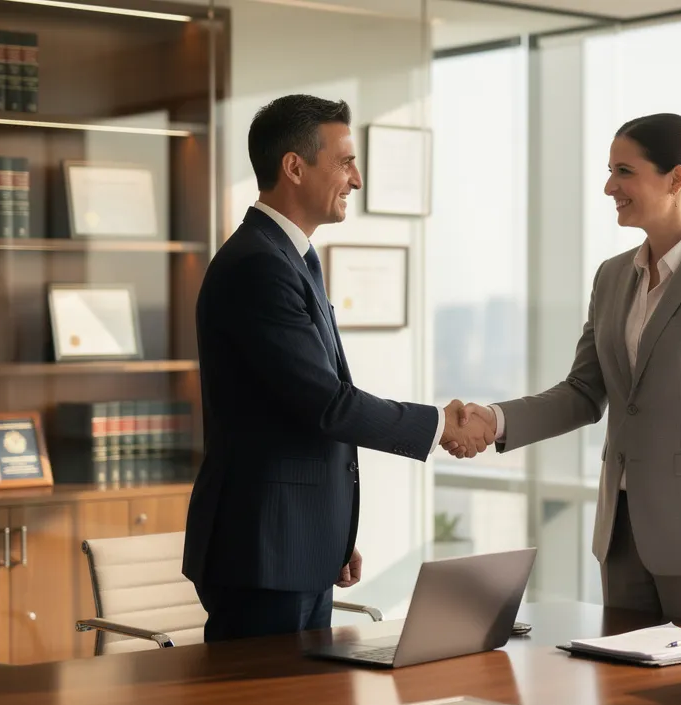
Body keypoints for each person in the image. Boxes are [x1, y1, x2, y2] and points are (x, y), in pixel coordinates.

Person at [449, 113, 681, 627]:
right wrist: (495, 420)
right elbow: (583, 392)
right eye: (610, 171)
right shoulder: (611, 277)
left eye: (624, 171)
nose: (610, 186)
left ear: (675, 179)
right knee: (620, 696)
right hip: (621, 535)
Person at [184, 94, 494, 641]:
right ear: (294, 167)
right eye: (345, 161)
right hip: (263, 551)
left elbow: (294, 411)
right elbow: (327, 405)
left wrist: (329, 534)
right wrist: (442, 424)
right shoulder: (258, 266)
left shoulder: (290, 258)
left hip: (290, 545)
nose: (356, 179)